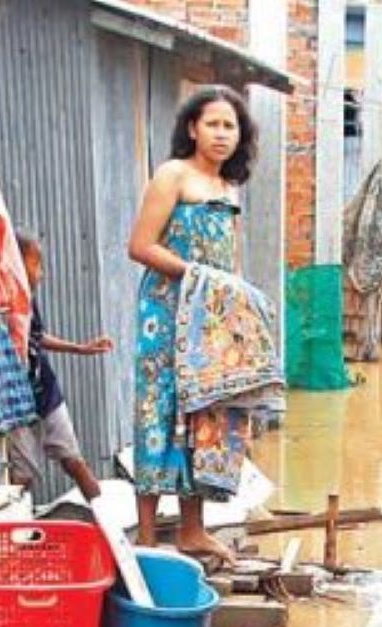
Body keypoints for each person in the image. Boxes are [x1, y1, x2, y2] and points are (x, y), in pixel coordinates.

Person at [126, 85, 257, 562]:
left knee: (204, 413)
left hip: (211, 318)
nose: (222, 134)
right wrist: (197, 277)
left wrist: (235, 309)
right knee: (157, 411)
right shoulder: (173, 175)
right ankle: (145, 536)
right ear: (192, 129)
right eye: (213, 124)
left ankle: (192, 530)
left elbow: (231, 263)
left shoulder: (229, 189)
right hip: (164, 311)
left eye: (230, 125)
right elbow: (140, 246)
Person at [6, 231, 111, 501]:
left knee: (74, 462)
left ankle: (107, 522)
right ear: (16, 262)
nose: (40, 273)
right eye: (36, 264)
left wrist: (79, 348)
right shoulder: (2, 303)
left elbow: (37, 338)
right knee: (21, 478)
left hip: (46, 392)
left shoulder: (27, 299)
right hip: (14, 403)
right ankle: (18, 533)